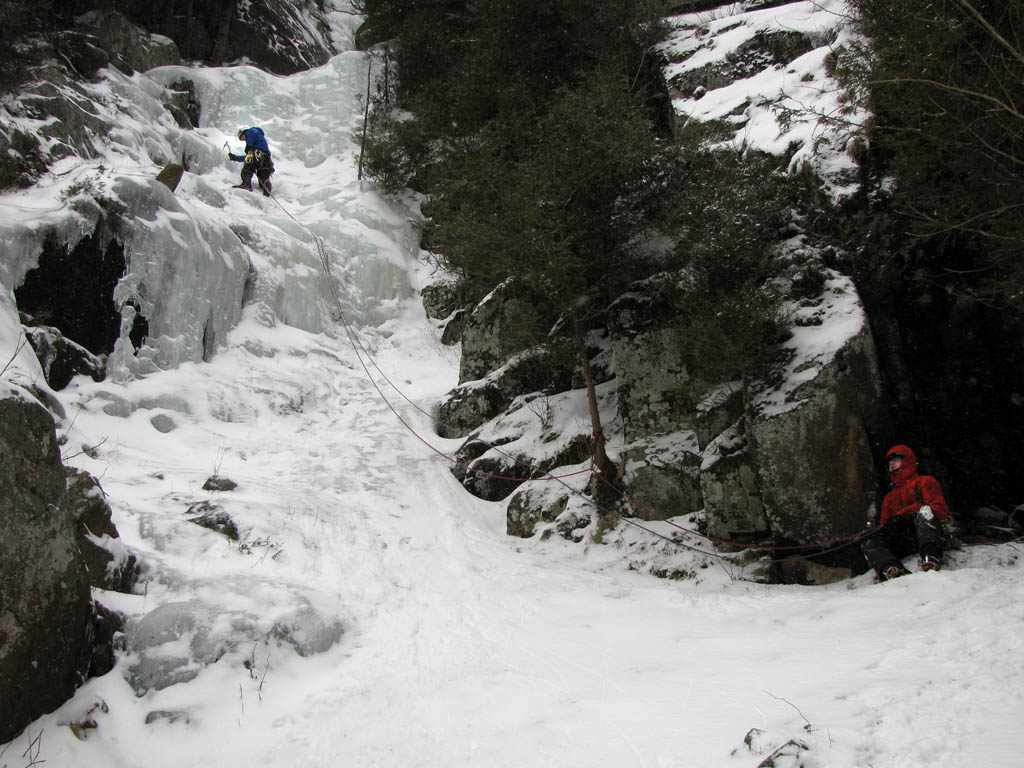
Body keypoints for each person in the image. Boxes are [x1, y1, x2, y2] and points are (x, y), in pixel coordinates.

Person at [862, 444, 948, 580]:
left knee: (925, 511)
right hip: (905, 540)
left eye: (895, 460)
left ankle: (930, 556)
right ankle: (890, 569)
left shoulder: (924, 482)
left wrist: (907, 515)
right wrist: (891, 525)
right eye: (889, 462)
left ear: (907, 460)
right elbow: (883, 526)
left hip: (926, 532)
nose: (891, 464)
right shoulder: (889, 498)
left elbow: (939, 509)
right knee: (869, 540)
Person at [229, 127, 274, 196]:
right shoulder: (255, 145)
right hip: (265, 159)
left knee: (247, 166)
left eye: (242, 138)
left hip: (258, 155)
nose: (244, 140)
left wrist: (248, 145)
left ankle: (246, 184)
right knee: (262, 176)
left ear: (244, 133)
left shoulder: (252, 131)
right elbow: (248, 157)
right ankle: (265, 184)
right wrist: (236, 158)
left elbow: (254, 133)